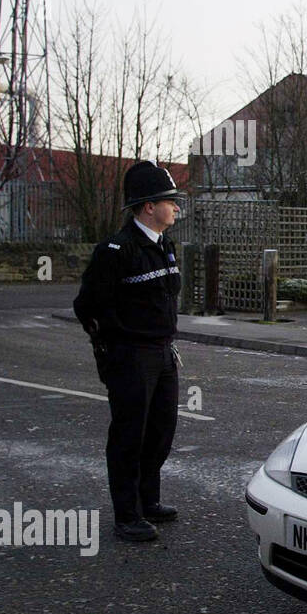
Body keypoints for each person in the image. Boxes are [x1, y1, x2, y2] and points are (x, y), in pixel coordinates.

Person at [74, 161, 184, 542]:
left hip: (162, 352)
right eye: (170, 201)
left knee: (161, 430)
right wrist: (112, 348)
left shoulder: (164, 245)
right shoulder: (115, 251)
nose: (176, 208)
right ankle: (126, 514)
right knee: (129, 435)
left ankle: (147, 500)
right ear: (148, 206)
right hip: (131, 355)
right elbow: (87, 306)